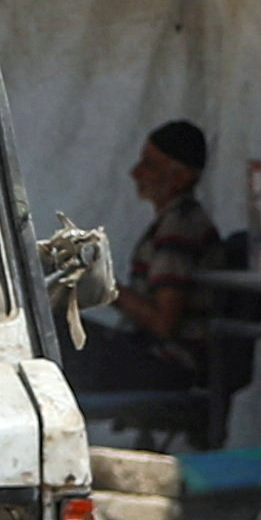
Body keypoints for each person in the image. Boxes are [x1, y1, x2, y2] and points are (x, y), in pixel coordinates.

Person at [71, 121, 219, 405]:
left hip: (168, 367)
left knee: (53, 331)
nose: (136, 173)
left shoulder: (180, 227)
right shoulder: (177, 222)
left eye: (149, 165)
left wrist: (104, 285)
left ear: (181, 176)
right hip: (159, 360)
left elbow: (163, 323)